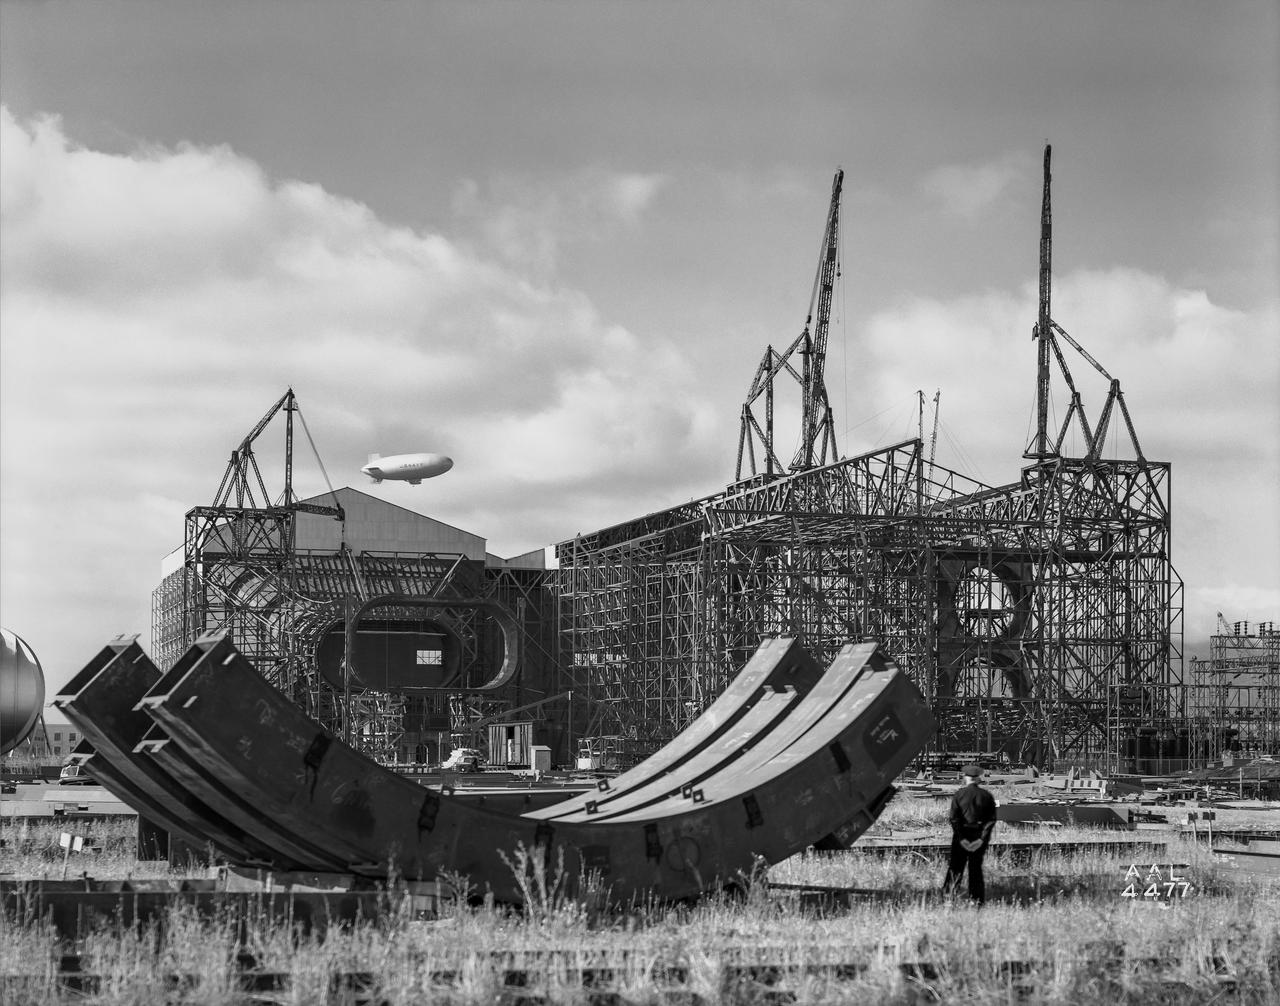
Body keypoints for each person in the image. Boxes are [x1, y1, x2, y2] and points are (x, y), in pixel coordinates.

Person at [942, 763, 997, 904]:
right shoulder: (986, 796)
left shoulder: (959, 795)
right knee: (976, 870)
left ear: (965, 778)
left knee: (955, 868)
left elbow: (954, 819)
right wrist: (981, 840)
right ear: (978, 779)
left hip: (962, 836)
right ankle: (977, 901)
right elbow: (991, 820)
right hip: (978, 836)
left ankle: (948, 898)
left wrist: (961, 839)